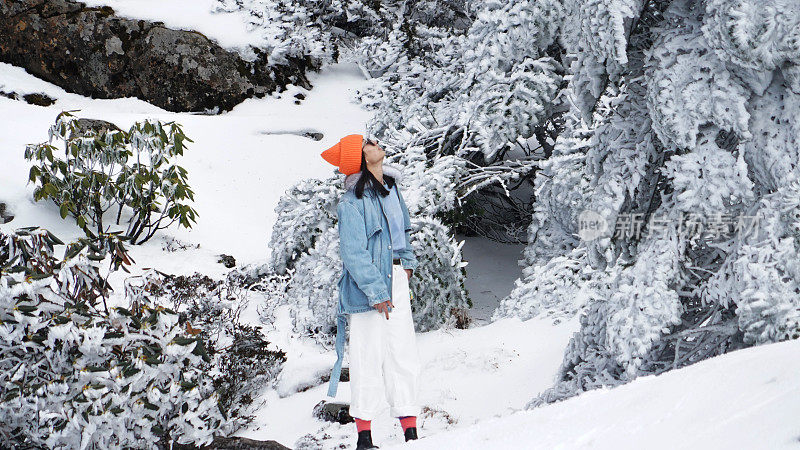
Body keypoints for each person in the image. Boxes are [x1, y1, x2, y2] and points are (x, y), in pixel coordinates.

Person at [320, 134, 422, 449]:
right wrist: (377, 291)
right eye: (368, 143)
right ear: (361, 158)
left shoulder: (392, 191)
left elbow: (403, 231)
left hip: (396, 280)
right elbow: (353, 253)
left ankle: (411, 432)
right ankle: (364, 436)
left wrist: (407, 265)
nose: (377, 143)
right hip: (368, 289)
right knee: (367, 356)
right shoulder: (351, 204)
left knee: (402, 353)